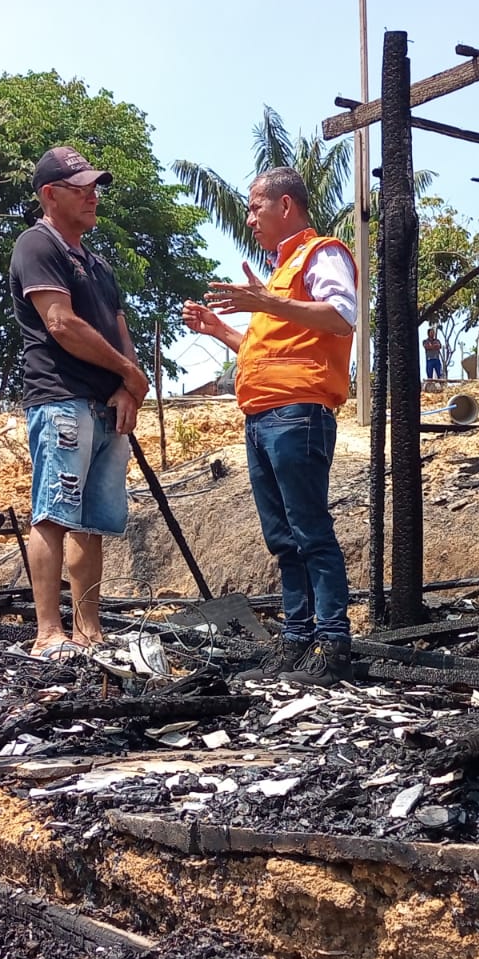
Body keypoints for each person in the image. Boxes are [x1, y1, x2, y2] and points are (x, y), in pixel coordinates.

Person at [182, 167, 357, 686]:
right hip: (263, 419)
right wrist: (219, 330)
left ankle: (332, 642)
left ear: (286, 205)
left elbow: (343, 315)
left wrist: (265, 302)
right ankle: (298, 638)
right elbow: (265, 349)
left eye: (257, 206)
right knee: (283, 537)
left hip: (297, 414)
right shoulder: (279, 276)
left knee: (310, 531)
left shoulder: (321, 253)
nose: (250, 217)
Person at [8, 145, 149, 660]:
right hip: (61, 398)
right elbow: (61, 325)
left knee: (92, 521)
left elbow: (119, 328)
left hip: (104, 405)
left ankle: (89, 629)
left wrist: (127, 385)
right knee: (53, 513)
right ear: (50, 195)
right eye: (80, 187)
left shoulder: (99, 264)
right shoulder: (36, 245)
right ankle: (48, 632)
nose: (92, 196)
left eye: (94, 186)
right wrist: (129, 372)